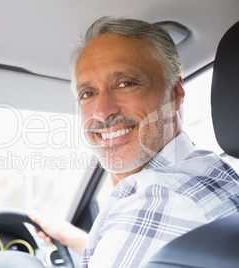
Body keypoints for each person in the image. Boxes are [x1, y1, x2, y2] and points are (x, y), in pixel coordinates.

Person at [29, 16, 239, 267]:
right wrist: (72, 237)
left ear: (176, 93)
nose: (102, 111)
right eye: (88, 93)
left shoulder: (160, 197)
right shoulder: (211, 171)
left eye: (125, 83)